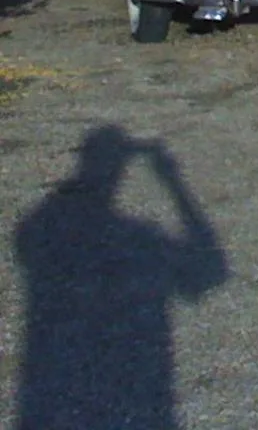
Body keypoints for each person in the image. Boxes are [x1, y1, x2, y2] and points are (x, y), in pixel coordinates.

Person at [13, 126, 228, 429]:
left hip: (54, 389)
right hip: (138, 391)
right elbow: (210, 270)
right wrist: (173, 182)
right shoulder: (141, 237)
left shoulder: (35, 227)